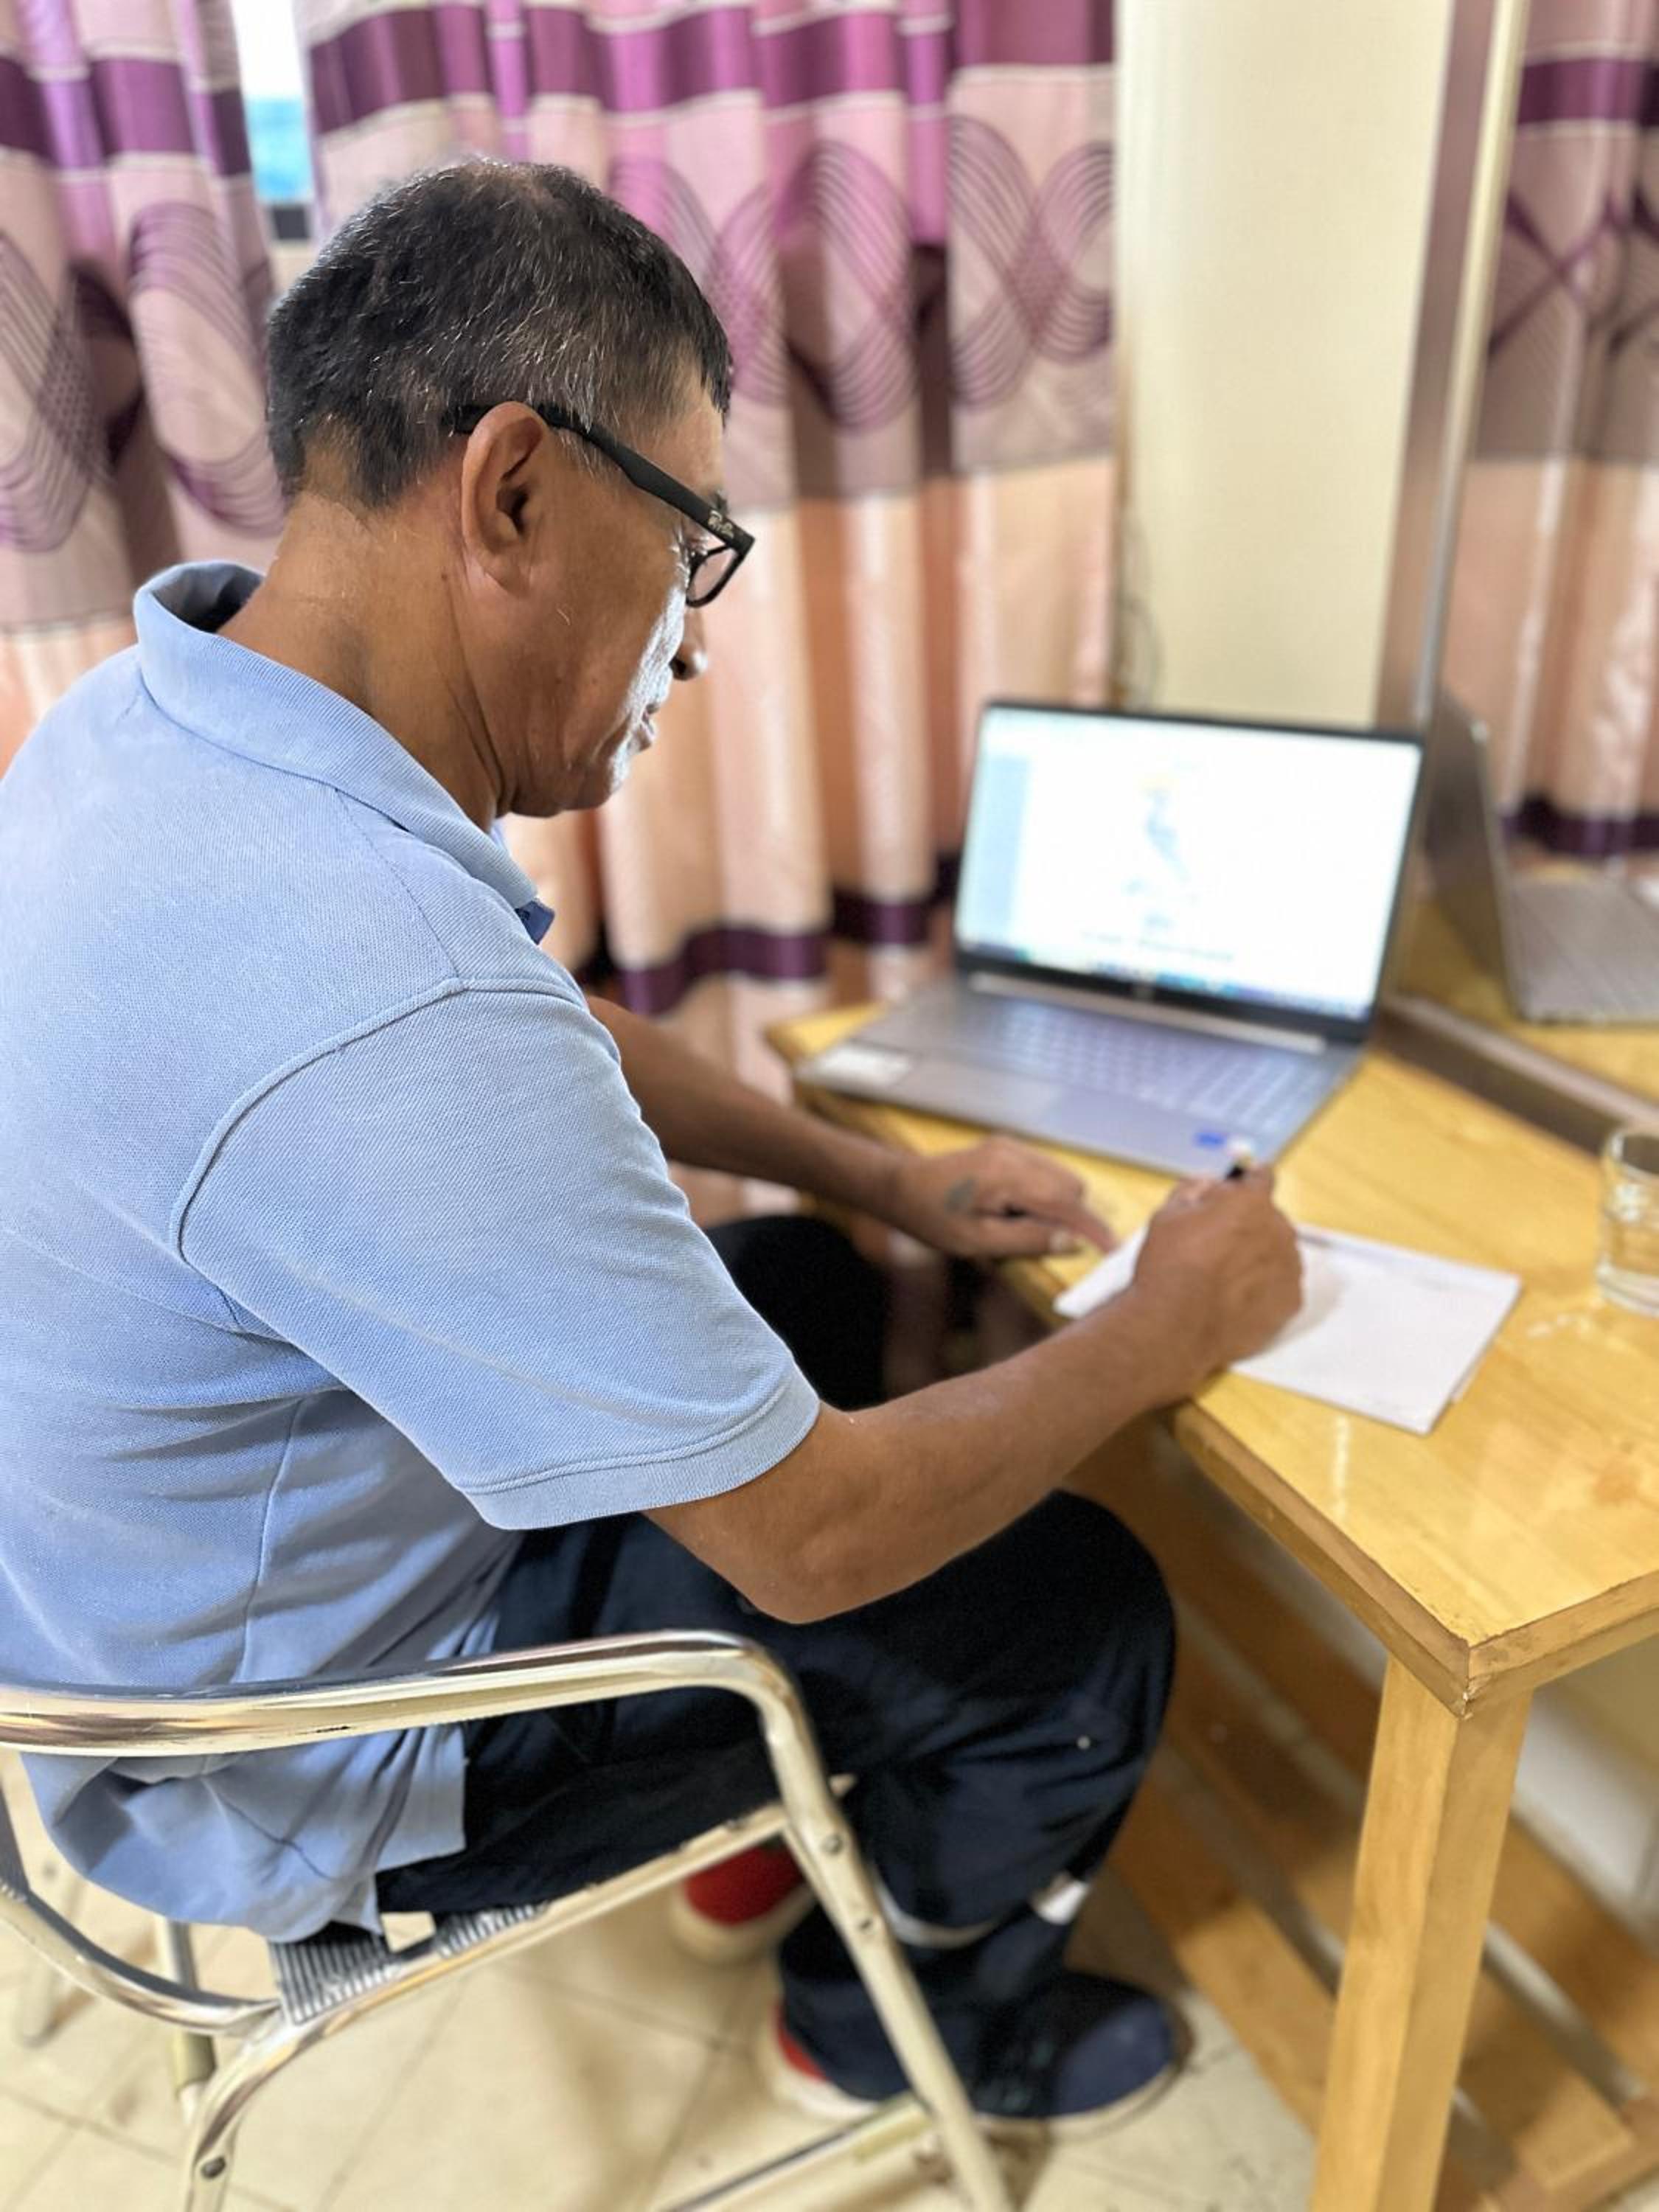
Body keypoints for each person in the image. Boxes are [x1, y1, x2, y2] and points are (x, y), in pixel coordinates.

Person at [0, 161, 1301, 2129]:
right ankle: (875, 2030)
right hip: (296, 1763)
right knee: (1078, 1610)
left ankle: (779, 1809)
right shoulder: (378, 982)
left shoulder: (159, 722)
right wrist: (1167, 1324)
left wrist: (884, 1179)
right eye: (694, 544)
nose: (687, 648)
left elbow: (529, 1043)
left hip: (149, 1616)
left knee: (803, 1278)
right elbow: (816, 1536)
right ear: (513, 492)